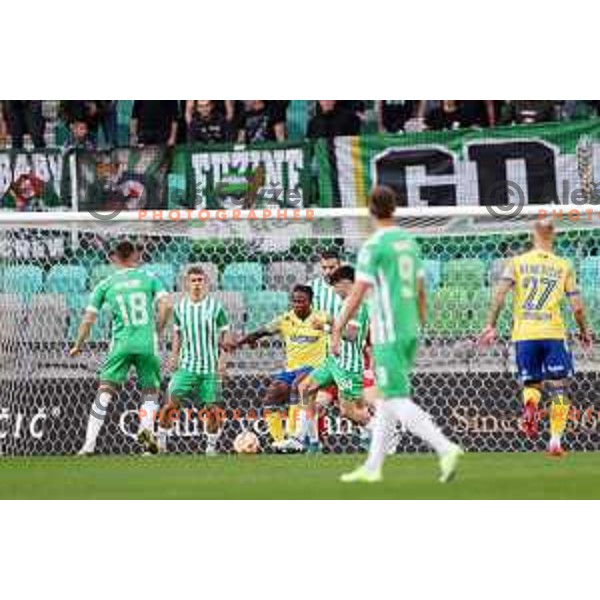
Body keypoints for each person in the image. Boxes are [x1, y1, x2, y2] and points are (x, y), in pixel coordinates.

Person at [332, 185, 462, 483]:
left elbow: (356, 295)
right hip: (409, 327)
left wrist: (338, 326)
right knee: (388, 401)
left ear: (371, 210)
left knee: (393, 398)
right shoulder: (409, 242)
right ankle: (373, 466)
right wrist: (420, 324)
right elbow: (420, 290)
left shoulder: (374, 246)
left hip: (387, 330)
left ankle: (445, 448)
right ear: (394, 208)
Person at [479, 219, 592, 456]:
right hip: (552, 333)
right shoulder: (563, 265)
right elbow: (578, 308)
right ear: (553, 236)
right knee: (560, 388)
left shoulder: (517, 263)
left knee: (532, 384)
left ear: (533, 235)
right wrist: (584, 331)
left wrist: (490, 325)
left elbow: (499, 294)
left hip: (524, 335)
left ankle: (530, 404)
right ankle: (555, 441)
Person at [70, 240, 170, 455]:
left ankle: (88, 446)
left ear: (115, 258)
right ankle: (146, 441)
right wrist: (158, 331)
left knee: (104, 391)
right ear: (136, 256)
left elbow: (88, 319)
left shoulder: (105, 284)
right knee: (150, 392)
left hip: (121, 344)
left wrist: (78, 345)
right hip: (146, 343)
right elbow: (167, 305)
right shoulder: (150, 278)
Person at [232, 285, 329, 450]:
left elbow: (338, 330)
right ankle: (279, 442)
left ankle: (293, 437)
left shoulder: (321, 318)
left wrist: (327, 329)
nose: (297, 305)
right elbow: (261, 331)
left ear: (310, 302)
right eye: (295, 301)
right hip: (291, 369)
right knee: (273, 393)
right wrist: (239, 343)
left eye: (302, 301)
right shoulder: (285, 319)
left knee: (297, 386)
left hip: (315, 368)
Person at [157, 266, 233, 455]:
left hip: (210, 368)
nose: (197, 284)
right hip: (186, 366)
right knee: (170, 404)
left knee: (212, 409)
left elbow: (226, 331)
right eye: (193, 280)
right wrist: (174, 356)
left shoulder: (215, 307)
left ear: (206, 282)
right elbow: (177, 334)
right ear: (186, 283)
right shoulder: (180, 308)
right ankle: (161, 443)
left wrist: (223, 360)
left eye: (200, 280)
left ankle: (211, 446)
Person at [295, 265, 371, 449]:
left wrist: (328, 326)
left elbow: (351, 335)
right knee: (305, 387)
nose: (334, 291)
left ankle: (381, 431)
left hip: (348, 366)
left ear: (345, 283)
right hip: (334, 361)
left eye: (335, 286)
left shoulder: (357, 305)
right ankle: (305, 439)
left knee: (348, 411)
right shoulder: (345, 304)